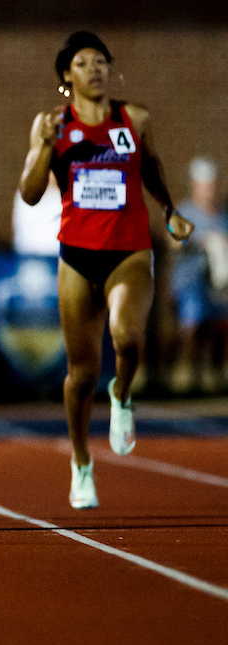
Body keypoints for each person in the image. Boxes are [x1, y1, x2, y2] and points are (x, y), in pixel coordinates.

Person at [18, 31, 193, 509]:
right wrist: (43, 150)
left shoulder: (132, 118)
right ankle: (80, 464)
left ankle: (122, 393)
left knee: (128, 337)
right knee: (80, 373)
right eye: (83, 62)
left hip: (129, 249)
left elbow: (152, 168)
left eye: (101, 61)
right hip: (76, 253)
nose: (95, 69)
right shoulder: (51, 124)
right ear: (66, 76)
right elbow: (31, 193)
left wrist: (169, 210)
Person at [168, 157, 228, 394]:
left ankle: (216, 375)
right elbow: (172, 241)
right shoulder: (185, 212)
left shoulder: (221, 217)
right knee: (192, 324)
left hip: (215, 284)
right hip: (189, 282)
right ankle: (184, 375)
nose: (208, 190)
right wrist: (198, 242)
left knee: (220, 325)